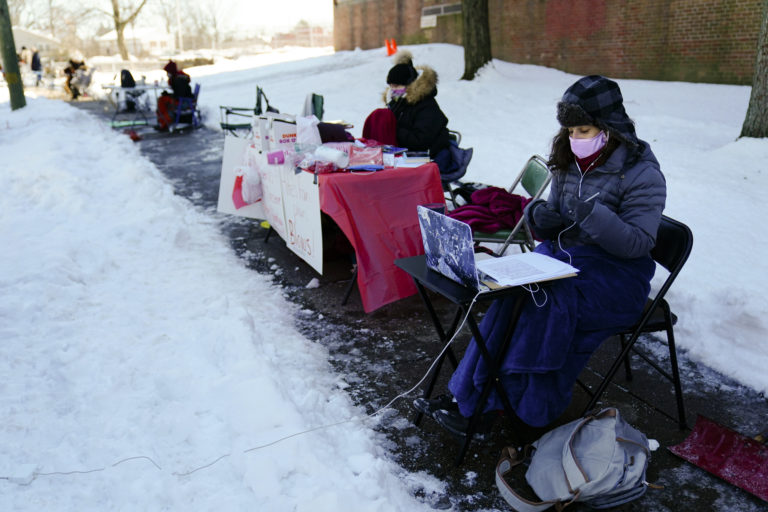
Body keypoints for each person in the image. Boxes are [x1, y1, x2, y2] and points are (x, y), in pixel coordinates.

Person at [413, 75, 667, 436]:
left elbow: (638, 244)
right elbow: (550, 217)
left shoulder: (642, 173)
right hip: (561, 260)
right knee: (510, 296)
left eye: (584, 129)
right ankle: (470, 394)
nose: (577, 139)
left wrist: (594, 216)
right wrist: (538, 218)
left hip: (615, 278)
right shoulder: (567, 159)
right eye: (571, 131)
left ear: (611, 127)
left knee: (544, 305)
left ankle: (513, 407)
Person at [382, 51, 453, 173]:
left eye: (397, 86)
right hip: (408, 155)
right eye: (391, 86)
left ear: (410, 86)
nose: (393, 90)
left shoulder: (426, 106)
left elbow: (420, 140)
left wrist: (393, 128)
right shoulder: (399, 103)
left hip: (431, 156)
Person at [155, 60, 193, 131]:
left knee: (161, 101)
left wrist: (169, 96)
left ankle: (164, 123)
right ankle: (163, 122)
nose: (167, 74)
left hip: (184, 102)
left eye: (168, 72)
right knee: (162, 99)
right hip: (185, 100)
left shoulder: (178, 80)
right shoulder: (178, 77)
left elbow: (180, 95)